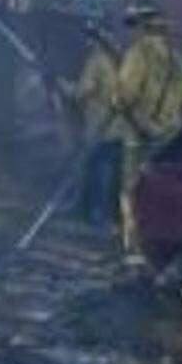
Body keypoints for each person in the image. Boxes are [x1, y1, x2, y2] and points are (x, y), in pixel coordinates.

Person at [115, 0, 182, 265]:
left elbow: (122, 98)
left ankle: (137, 249)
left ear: (139, 27)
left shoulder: (138, 54)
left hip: (138, 141)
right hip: (171, 139)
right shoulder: (178, 58)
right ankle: (170, 243)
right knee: (168, 191)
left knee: (133, 193)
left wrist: (143, 126)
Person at [68, 22, 124, 226]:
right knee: (112, 173)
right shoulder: (118, 60)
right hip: (119, 129)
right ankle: (112, 216)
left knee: (97, 172)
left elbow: (82, 92)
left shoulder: (97, 61)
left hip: (100, 129)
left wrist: (64, 87)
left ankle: (95, 215)